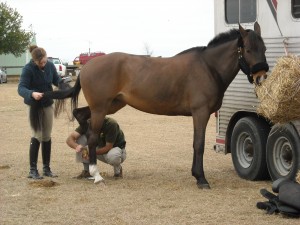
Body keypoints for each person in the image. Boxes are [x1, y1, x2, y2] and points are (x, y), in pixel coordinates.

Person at [18, 45, 62, 179]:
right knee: (37, 135)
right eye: (40, 63)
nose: (43, 64)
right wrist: (31, 94)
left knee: (47, 136)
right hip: (34, 106)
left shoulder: (49, 66)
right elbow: (21, 88)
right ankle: (32, 170)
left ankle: (46, 168)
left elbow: (56, 80)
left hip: (47, 104)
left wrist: (64, 85)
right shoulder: (28, 69)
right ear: (35, 61)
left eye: (45, 61)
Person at [66, 116, 126, 183]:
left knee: (113, 156)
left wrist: (92, 153)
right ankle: (87, 171)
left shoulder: (111, 124)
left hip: (115, 149)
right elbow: (69, 139)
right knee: (81, 138)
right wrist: (77, 147)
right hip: (99, 148)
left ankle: (118, 171)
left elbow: (108, 147)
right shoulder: (88, 123)